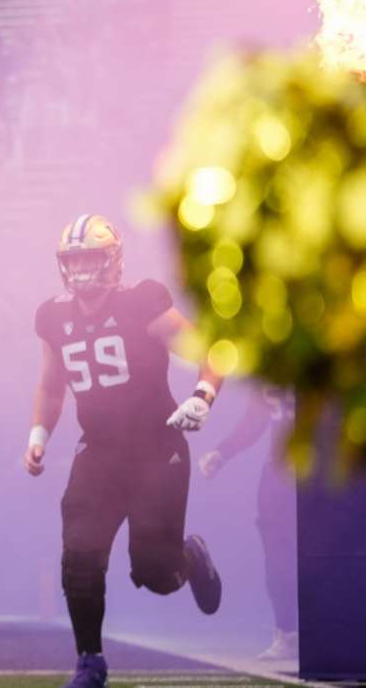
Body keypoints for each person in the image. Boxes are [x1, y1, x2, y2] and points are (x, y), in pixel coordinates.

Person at [22, 214, 226, 688]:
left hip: (157, 448)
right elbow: (52, 387)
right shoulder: (53, 315)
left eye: (91, 258)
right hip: (98, 451)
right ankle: (90, 661)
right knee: (78, 555)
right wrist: (38, 433)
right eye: (74, 261)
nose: (82, 270)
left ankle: (188, 558)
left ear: (112, 260)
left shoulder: (142, 301)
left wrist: (203, 397)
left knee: (156, 572)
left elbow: (209, 350)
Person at [198, 385, 297, 660]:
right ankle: (287, 631)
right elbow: (256, 417)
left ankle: (334, 627)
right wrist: (223, 452)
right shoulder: (275, 362)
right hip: (280, 469)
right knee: (277, 549)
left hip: (327, 465)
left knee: (328, 547)